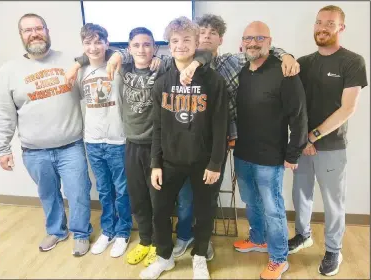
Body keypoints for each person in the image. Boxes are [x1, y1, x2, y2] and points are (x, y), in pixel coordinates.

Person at [89, 14, 301, 259]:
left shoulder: (230, 63)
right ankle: (183, 238)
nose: (206, 37)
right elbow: (139, 53)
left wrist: (286, 55)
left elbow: (260, 48)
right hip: (174, 148)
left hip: (216, 145)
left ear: (221, 39)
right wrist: (117, 54)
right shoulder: (169, 64)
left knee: (202, 201)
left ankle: (202, 243)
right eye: (203, 33)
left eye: (213, 33)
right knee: (181, 199)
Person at [67, 27, 212, 266]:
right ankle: (145, 241)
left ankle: (158, 244)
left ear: (155, 48)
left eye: (147, 45)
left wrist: (194, 63)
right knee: (138, 199)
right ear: (129, 48)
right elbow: (99, 52)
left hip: (157, 147)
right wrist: (78, 62)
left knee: (159, 201)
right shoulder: (122, 67)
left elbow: (204, 54)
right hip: (130, 144)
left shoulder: (165, 65)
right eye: (136, 45)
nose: (142, 49)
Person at [0, 13, 93, 256]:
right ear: (21, 36)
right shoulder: (8, 70)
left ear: (47, 31)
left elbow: (96, 64)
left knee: (79, 192)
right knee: (48, 195)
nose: (35, 33)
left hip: (71, 145)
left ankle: (81, 233)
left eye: (39, 28)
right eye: (28, 30)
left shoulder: (69, 60)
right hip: (34, 150)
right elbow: (4, 114)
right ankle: (57, 231)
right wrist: (3, 148)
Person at [140, 16, 228, 280]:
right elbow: (157, 127)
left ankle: (199, 256)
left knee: (204, 212)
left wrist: (215, 164)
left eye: (187, 40)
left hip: (203, 162)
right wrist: (156, 163)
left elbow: (221, 126)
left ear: (197, 42)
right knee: (161, 212)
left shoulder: (213, 81)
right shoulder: (162, 82)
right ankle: (164, 257)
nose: (180, 45)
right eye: (175, 41)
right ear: (168, 44)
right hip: (169, 161)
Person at [288, 5, 368, 277]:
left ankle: (334, 249)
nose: (323, 27)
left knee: (333, 201)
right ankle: (303, 235)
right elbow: (294, 106)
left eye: (330, 23)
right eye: (319, 22)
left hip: (331, 146)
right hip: (302, 145)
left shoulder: (352, 61)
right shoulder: (303, 62)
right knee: (301, 195)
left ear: (341, 28)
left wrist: (313, 136)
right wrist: (302, 139)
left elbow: (348, 108)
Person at [233, 21, 308, 280]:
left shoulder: (285, 71)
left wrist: (293, 154)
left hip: (271, 157)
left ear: (269, 41)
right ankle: (258, 239)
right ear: (242, 42)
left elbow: (298, 117)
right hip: (242, 153)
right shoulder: (241, 71)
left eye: (259, 38)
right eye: (248, 39)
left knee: (273, 208)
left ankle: (279, 258)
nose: (253, 43)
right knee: (250, 202)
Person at [75, 23, 132, 258]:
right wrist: (77, 63)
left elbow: (131, 52)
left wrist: (118, 53)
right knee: (104, 190)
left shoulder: (119, 65)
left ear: (107, 43)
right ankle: (107, 230)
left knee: (122, 189)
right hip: (93, 140)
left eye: (98, 41)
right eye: (88, 42)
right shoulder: (80, 71)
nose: (93, 47)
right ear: (83, 46)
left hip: (117, 139)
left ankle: (123, 232)